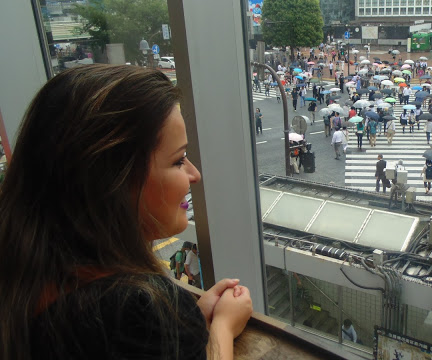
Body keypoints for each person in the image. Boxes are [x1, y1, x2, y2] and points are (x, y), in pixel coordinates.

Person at [2, 65, 252, 359]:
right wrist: (222, 326)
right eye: (178, 160)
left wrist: (185, 327)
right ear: (114, 182)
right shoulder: (137, 309)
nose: (194, 174)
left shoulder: (24, 270)